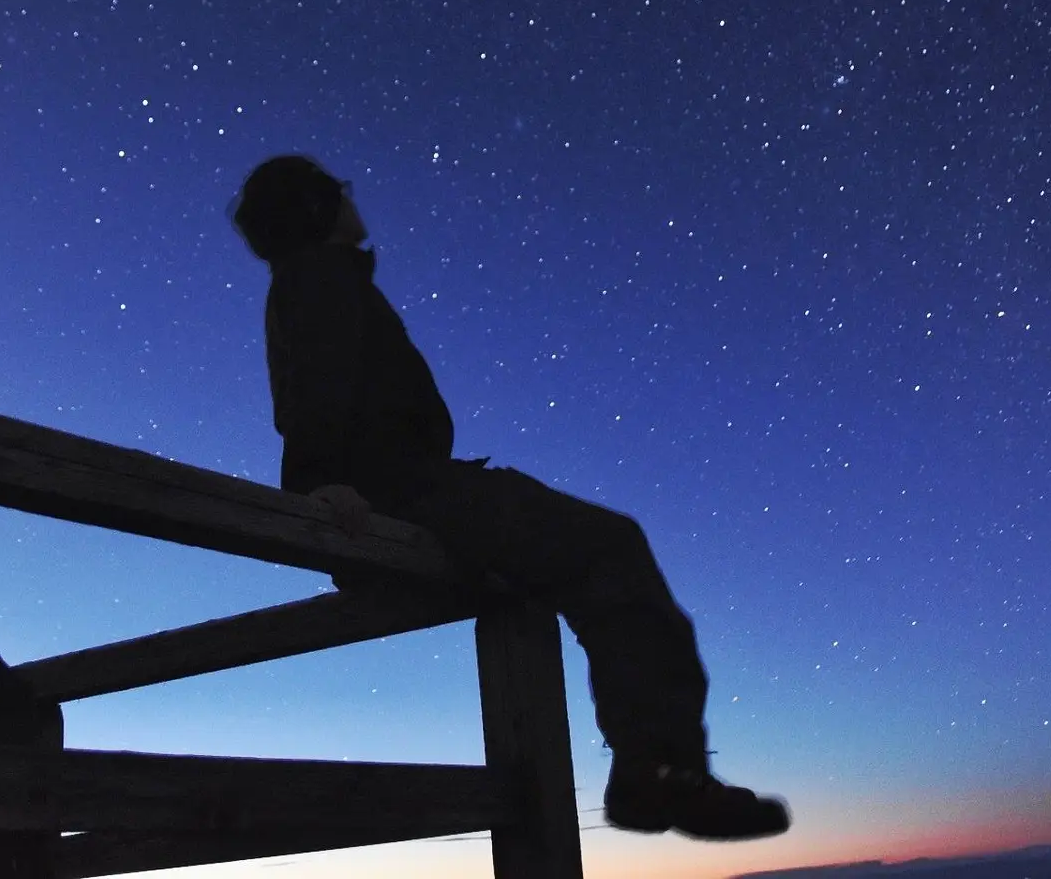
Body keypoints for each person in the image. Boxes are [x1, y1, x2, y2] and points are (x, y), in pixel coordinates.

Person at [231, 154, 790, 841]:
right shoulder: (319, 278)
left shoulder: (319, 282)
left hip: (411, 485)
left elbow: (318, 388)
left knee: (584, 551)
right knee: (609, 547)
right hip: (406, 491)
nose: (353, 198)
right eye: (339, 191)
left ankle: (657, 770)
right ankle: (660, 772)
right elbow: (313, 394)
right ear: (316, 209)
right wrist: (320, 487)